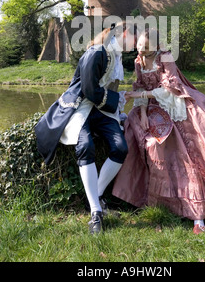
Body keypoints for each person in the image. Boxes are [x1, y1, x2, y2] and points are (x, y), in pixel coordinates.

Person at [112, 28, 205, 234]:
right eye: (139, 46)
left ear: (156, 46)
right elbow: (138, 84)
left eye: (146, 48)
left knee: (188, 153)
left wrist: (142, 95)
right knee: (138, 133)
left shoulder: (165, 57)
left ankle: (198, 218)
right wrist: (144, 112)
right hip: (152, 104)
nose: (141, 51)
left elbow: (171, 88)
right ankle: (154, 205)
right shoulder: (138, 61)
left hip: (174, 102)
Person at [35, 22, 135, 234]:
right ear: (124, 34)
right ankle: (95, 212)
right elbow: (89, 90)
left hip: (101, 110)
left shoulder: (116, 56)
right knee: (86, 145)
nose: (136, 44)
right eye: (134, 38)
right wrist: (115, 99)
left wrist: (116, 105)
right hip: (80, 106)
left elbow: (107, 89)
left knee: (120, 148)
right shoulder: (97, 52)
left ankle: (95, 197)